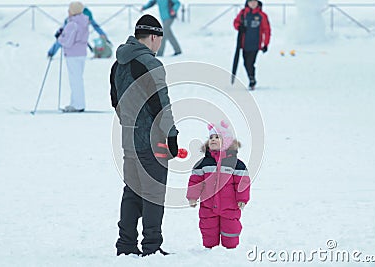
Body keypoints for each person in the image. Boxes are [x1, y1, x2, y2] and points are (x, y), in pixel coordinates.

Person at [110, 14, 179, 256]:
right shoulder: (151, 64)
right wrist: (171, 135)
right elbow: (161, 104)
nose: (159, 45)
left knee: (131, 191)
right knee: (153, 192)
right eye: (159, 39)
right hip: (151, 141)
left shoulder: (118, 63)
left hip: (128, 139)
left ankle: (126, 244)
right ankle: (152, 246)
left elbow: (115, 101)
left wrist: (130, 125)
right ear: (153, 37)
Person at [186, 121, 251, 249]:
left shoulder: (236, 164)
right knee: (208, 230)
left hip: (230, 207)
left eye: (217, 137)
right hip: (208, 206)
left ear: (226, 141)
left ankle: (230, 252)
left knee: (231, 231)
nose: (213, 140)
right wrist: (192, 197)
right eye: (211, 138)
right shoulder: (203, 163)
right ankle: (209, 253)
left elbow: (243, 183)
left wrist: (242, 199)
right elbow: (195, 181)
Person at [57, 2, 89, 112]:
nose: (68, 11)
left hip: (73, 54)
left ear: (74, 11)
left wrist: (59, 37)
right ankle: (75, 103)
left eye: (69, 9)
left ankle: (78, 105)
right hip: (81, 53)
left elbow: (68, 42)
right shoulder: (83, 22)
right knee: (77, 79)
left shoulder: (73, 24)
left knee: (75, 80)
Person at [234, 0, 271, 90]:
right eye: (251, 2)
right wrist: (239, 27)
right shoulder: (243, 13)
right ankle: (251, 77)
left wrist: (265, 44)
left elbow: (267, 30)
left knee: (250, 63)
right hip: (244, 44)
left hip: (255, 45)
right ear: (248, 3)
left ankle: (252, 79)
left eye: (255, 2)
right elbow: (236, 22)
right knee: (246, 63)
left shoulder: (262, 16)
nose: (253, 4)